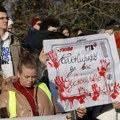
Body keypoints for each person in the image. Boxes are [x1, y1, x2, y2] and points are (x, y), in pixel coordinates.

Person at [0, 6, 20, 80]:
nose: (5, 20)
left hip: (14, 82)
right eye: (2, 18)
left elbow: (20, 62)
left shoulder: (14, 39)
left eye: (7, 18)